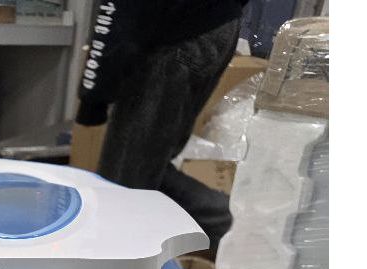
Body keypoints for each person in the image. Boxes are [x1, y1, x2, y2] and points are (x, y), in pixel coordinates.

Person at [77, 0, 248, 250]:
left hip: (176, 36)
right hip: (212, 23)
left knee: (123, 184)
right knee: (147, 170)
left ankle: (239, 236)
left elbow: (120, 10)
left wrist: (93, 99)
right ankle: (235, 231)